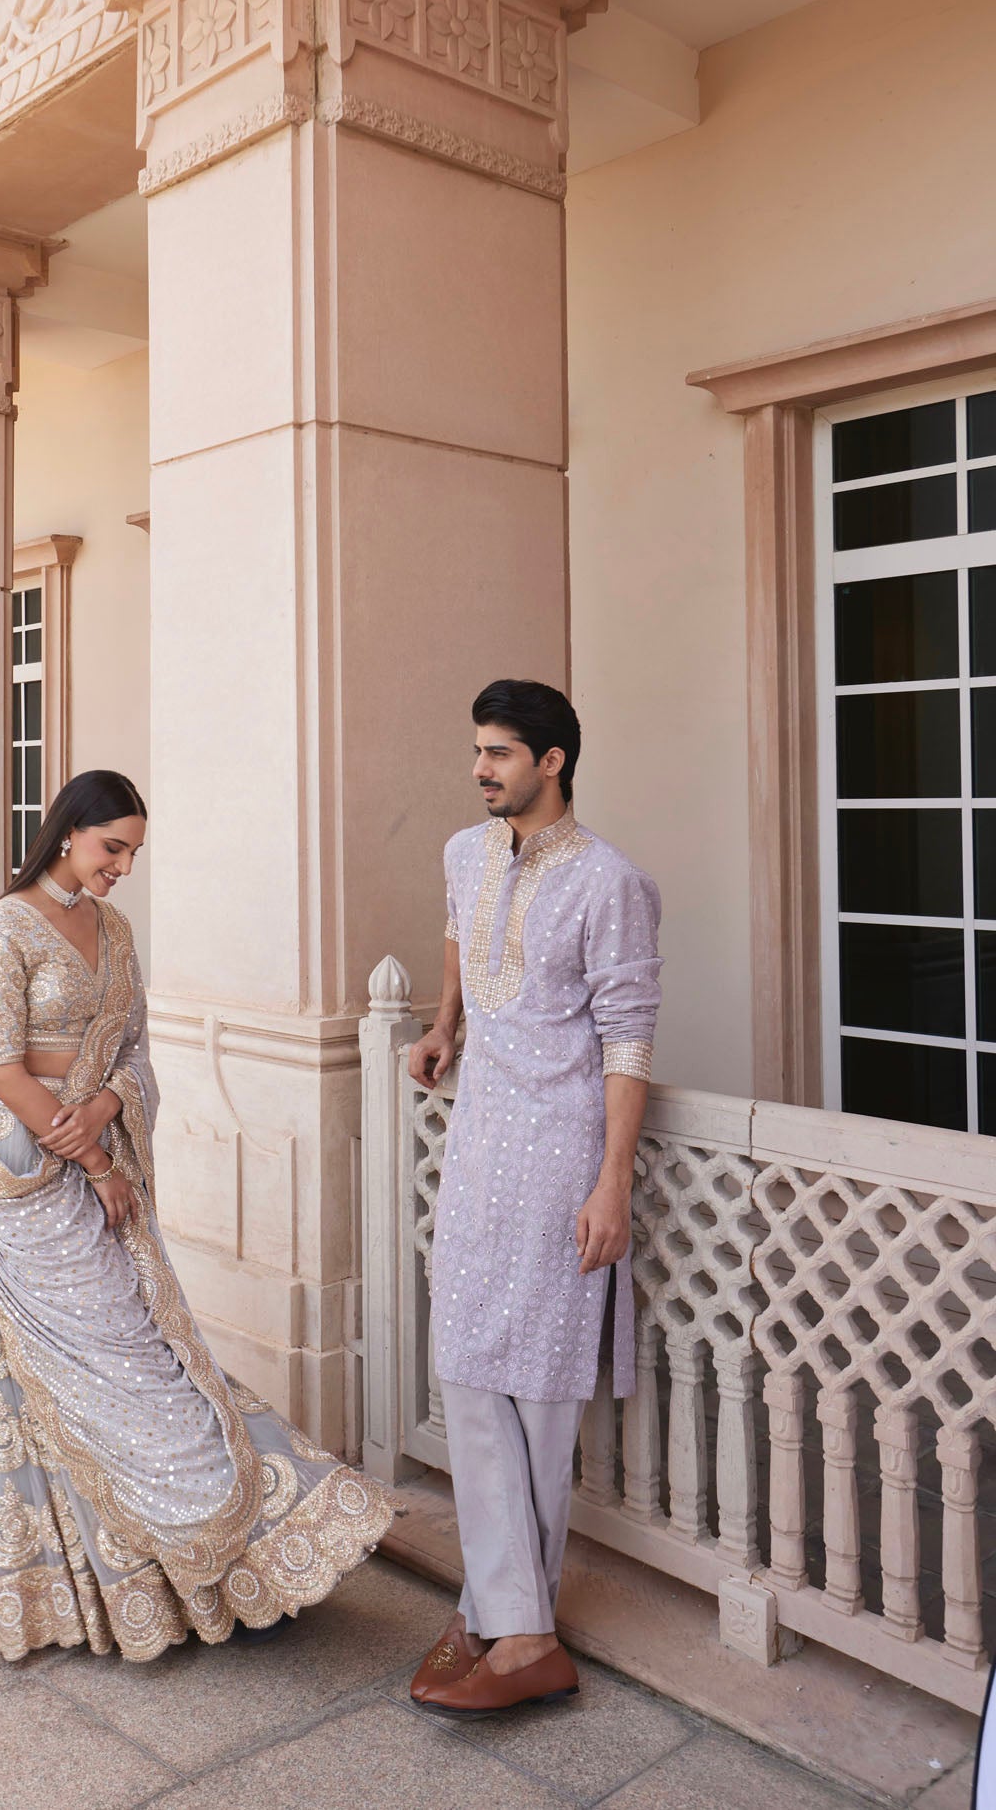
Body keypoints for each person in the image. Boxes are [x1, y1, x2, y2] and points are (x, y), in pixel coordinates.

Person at [0, 769, 394, 1660]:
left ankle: (166, 1566)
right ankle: (97, 1574)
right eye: (113, 848)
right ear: (68, 831)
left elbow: (138, 1045)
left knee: (140, 1348)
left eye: (133, 854)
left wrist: (110, 1107)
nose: (122, 868)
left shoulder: (113, 928)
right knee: (92, 1353)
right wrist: (96, 1161)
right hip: (24, 1173)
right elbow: (1, 1069)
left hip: (92, 1147)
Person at [407, 682, 661, 1715]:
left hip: (562, 1154)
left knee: (542, 1389)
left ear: (551, 760)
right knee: (464, 1360)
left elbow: (628, 1033)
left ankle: (507, 1624)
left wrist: (612, 1176)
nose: (481, 767)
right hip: (476, 1147)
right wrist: (441, 1023)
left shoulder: (610, 882)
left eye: (500, 752)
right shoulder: (465, 853)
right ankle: (510, 1619)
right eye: (476, 748)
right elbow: (458, 934)